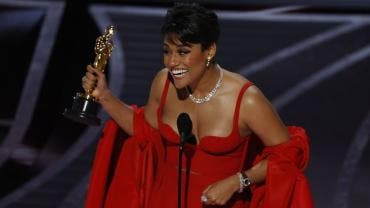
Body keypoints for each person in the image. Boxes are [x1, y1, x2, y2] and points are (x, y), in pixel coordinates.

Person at [83, 3, 313, 208]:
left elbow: (288, 157)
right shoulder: (164, 83)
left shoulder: (246, 100)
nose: (172, 62)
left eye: (183, 52)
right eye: (167, 51)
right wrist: (104, 96)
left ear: (209, 50)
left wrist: (238, 181)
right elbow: (146, 133)